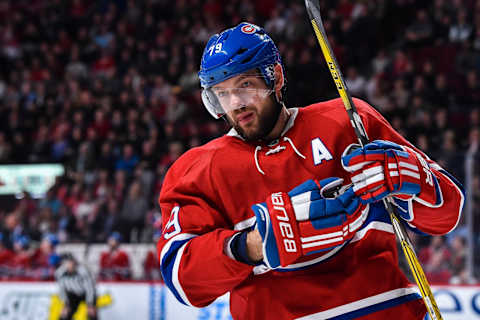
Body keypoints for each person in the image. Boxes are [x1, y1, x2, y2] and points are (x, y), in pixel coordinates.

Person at [157, 22, 465, 320]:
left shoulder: (348, 122)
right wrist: (252, 244)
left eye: (245, 85)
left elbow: (448, 214)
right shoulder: (198, 170)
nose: (236, 103)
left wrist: (416, 180)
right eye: (222, 93)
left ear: (275, 77)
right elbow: (182, 280)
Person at [55, 253, 98, 320]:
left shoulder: (83, 271)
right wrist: (66, 303)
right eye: (67, 263)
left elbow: (90, 288)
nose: (69, 264)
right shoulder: (60, 273)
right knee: (64, 314)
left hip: (85, 293)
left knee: (91, 312)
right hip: (72, 295)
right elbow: (62, 289)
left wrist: (90, 303)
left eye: (71, 262)